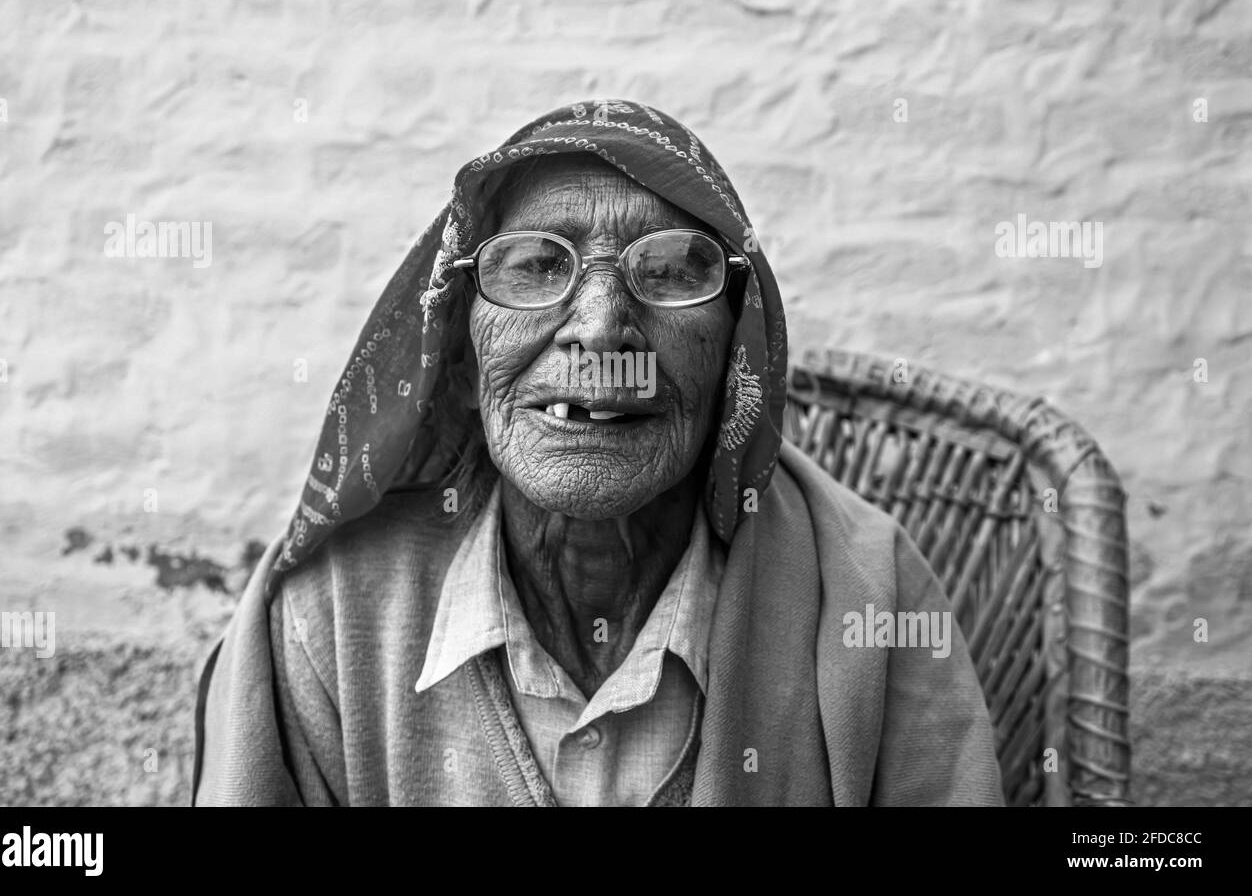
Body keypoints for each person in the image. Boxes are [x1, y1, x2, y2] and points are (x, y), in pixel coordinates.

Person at [193, 99, 1004, 806]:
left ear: (733, 359)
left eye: (669, 272)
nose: (601, 328)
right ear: (464, 363)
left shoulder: (866, 595)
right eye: (539, 266)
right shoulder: (330, 615)